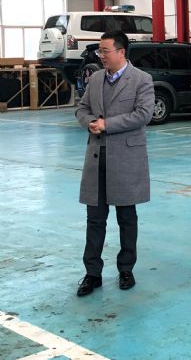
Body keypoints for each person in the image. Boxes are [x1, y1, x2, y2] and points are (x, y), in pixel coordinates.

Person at [75, 30, 155, 297]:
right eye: (100, 51)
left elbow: (143, 114)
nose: (101, 55)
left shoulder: (141, 80)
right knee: (95, 219)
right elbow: (81, 108)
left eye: (105, 50)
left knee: (126, 218)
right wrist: (90, 122)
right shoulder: (96, 78)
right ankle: (92, 274)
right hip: (97, 158)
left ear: (121, 52)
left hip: (125, 158)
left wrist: (107, 124)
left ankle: (126, 269)